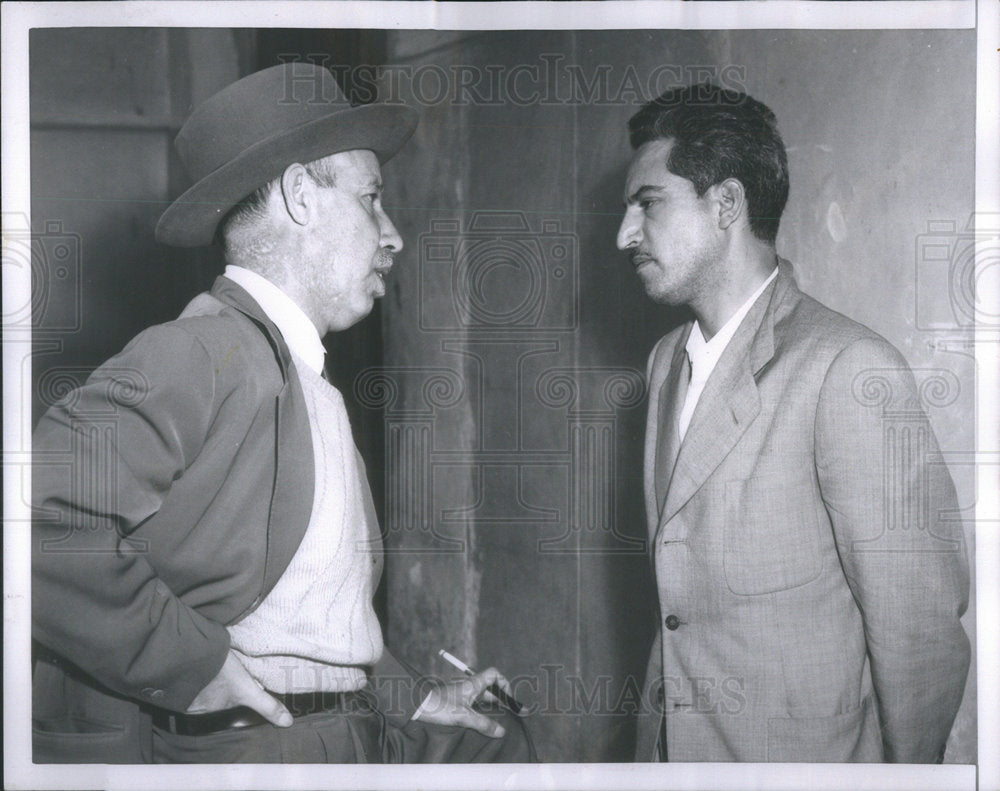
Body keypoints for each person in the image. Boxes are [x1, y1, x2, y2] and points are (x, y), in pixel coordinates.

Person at [31, 62, 533, 764]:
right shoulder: (202, 351)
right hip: (256, 753)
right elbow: (33, 515)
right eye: (372, 198)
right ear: (302, 195)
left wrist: (414, 696)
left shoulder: (300, 374)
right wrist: (185, 663)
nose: (391, 234)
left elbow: (307, 621)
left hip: (334, 737)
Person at [617, 83, 970, 763]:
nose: (624, 233)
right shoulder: (665, 363)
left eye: (648, 203)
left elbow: (919, 630)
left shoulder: (848, 369)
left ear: (725, 204)